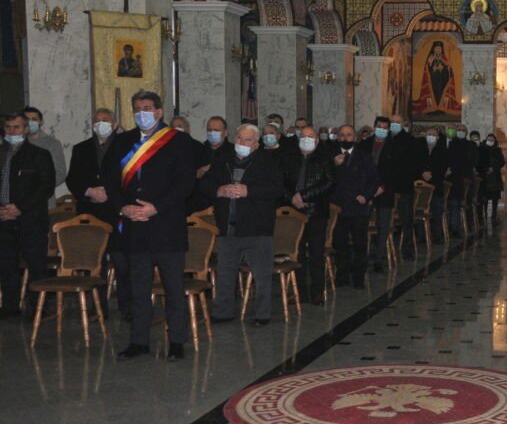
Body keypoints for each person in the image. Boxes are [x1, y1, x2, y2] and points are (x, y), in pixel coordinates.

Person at [103, 91, 196, 360]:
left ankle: (177, 341)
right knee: (138, 289)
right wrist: (124, 207)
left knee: (173, 289)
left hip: (166, 226)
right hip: (134, 227)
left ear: (158, 112)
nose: (141, 113)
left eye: (146, 108)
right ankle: (139, 341)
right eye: (137, 108)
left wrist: (156, 207)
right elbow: (111, 181)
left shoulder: (179, 141)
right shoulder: (122, 142)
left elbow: (185, 183)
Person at [202, 124, 283, 326]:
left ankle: (262, 314)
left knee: (261, 275)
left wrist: (249, 191)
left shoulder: (267, 162)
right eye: (239, 138)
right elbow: (205, 185)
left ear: (256, 144)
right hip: (228, 227)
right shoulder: (223, 160)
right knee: (226, 273)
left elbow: (276, 189)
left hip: (257, 228)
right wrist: (220, 190)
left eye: (247, 140)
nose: (242, 143)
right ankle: (223, 312)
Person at [66, 108, 132, 321]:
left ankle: (127, 308)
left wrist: (110, 194)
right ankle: (96, 308)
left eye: (105, 120)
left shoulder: (126, 146)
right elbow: (73, 179)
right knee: (95, 264)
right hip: (91, 212)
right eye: (96, 121)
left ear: (114, 124)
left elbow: (131, 178)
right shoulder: (81, 148)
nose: (100, 124)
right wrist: (89, 191)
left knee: (123, 263)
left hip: (117, 213)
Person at [0, 114, 55, 319]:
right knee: (6, 265)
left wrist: (19, 208)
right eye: (8, 127)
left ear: (25, 129)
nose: (11, 131)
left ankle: (38, 308)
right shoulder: (1, 153)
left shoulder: (39, 155)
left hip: (30, 219)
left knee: (36, 264)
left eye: (16, 127)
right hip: (3, 219)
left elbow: (45, 187)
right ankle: (10, 306)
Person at [281, 126, 334, 304]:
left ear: (317, 140)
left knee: (316, 253)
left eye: (310, 137)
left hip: (316, 211)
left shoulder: (325, 158)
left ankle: (317, 291)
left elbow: (328, 183)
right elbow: (281, 182)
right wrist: (293, 198)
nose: (306, 139)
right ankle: (299, 291)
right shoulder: (289, 158)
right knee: (297, 253)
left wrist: (304, 196)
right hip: (295, 212)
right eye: (303, 136)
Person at [331, 124, 379, 289]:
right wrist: (334, 166)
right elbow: (326, 178)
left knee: (359, 244)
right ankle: (342, 275)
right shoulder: (331, 155)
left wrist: (365, 195)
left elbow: (374, 179)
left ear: (355, 137)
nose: (345, 138)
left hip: (358, 207)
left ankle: (358, 277)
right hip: (339, 207)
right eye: (342, 135)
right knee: (340, 243)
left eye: (349, 135)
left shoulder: (364, 156)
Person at [361, 116, 399, 269]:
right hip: (366, 191)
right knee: (362, 225)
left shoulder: (395, 146)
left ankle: (379, 258)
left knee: (383, 226)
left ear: (388, 129)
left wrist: (382, 187)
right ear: (374, 126)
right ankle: (363, 256)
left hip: (385, 191)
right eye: (379, 126)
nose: (381, 129)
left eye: (384, 127)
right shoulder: (364, 144)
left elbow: (395, 171)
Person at [389, 114, 419, 258]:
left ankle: (407, 247)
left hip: (405, 186)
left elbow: (413, 164)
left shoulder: (410, 141)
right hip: (388, 186)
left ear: (403, 124)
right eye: (392, 122)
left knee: (406, 219)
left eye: (397, 122)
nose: (394, 124)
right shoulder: (386, 139)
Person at [23, 107, 66, 207]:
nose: (30, 122)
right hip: (21, 201)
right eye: (27, 120)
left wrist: (39, 188)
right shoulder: (18, 143)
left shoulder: (52, 144)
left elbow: (60, 173)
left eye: (34, 119)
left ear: (41, 122)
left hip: (44, 201)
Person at [478, 133, 505, 222]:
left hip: (495, 176)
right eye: (489, 139)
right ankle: (484, 213)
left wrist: (494, 168)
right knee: (485, 196)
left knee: (495, 197)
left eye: (492, 140)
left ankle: (494, 214)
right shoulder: (481, 149)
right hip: (485, 176)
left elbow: (502, 162)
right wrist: (486, 169)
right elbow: (479, 162)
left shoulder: (497, 150)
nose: (490, 141)